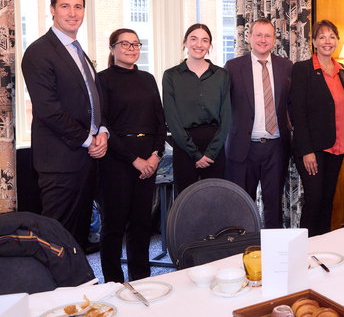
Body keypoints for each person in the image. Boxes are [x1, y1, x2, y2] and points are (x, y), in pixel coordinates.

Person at [21, 0, 108, 248]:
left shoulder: (77, 50)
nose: (73, 12)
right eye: (65, 6)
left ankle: (79, 288)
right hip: (59, 164)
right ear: (52, 10)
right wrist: (88, 139)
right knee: (57, 241)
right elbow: (48, 110)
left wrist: (102, 130)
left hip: (85, 162)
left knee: (79, 239)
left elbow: (94, 100)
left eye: (78, 6)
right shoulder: (39, 52)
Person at [98, 29, 166, 282]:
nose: (131, 48)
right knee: (114, 225)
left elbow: (160, 122)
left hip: (148, 159)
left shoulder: (148, 78)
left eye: (135, 44)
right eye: (124, 44)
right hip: (116, 160)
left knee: (141, 223)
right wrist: (134, 160)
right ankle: (113, 282)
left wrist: (155, 155)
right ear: (112, 48)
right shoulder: (101, 80)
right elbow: (102, 125)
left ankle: (142, 277)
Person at [225, 18, 293, 229]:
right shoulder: (233, 67)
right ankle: (243, 253)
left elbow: (292, 104)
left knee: (274, 206)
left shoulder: (286, 67)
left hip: (276, 148)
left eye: (268, 35)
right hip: (243, 149)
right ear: (249, 38)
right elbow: (223, 106)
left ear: (274, 39)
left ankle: (274, 255)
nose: (263, 40)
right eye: (258, 35)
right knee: (242, 206)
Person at [290, 20, 344, 236]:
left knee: (328, 200)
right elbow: (297, 113)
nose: (327, 41)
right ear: (314, 42)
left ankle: (324, 246)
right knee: (314, 198)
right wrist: (307, 151)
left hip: (337, 147)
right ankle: (305, 249)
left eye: (332, 37)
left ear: (337, 41)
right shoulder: (303, 70)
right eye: (322, 37)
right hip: (312, 149)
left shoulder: (343, 70)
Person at [163, 24, 231, 197]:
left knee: (215, 200)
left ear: (210, 45)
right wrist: (195, 153)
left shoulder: (221, 75)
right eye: (193, 38)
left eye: (205, 40)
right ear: (185, 42)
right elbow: (171, 118)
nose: (199, 44)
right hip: (183, 146)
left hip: (214, 145)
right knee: (186, 201)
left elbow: (226, 116)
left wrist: (211, 152)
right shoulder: (171, 75)